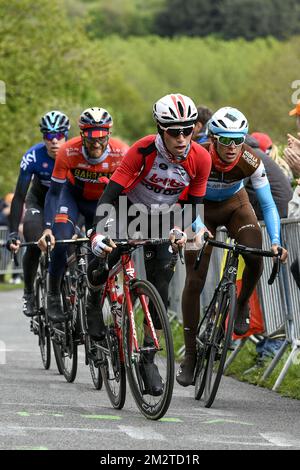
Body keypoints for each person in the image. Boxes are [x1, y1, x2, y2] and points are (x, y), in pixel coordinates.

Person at [88, 93, 212, 395]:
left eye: (189, 129)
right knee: (102, 257)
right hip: (128, 211)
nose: (182, 138)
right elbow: (109, 197)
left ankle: (147, 358)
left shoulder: (201, 158)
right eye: (174, 131)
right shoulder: (142, 151)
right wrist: (99, 234)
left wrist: (184, 230)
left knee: (161, 285)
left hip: (165, 217)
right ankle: (93, 302)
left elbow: (193, 207)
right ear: (160, 129)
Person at [176, 106, 288, 387]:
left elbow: (268, 204)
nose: (232, 147)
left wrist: (276, 241)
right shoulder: (195, 155)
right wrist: (193, 230)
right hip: (200, 209)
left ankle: (240, 305)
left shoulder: (251, 160)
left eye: (238, 140)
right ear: (212, 138)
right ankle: (190, 356)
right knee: (195, 277)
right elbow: (186, 200)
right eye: (225, 140)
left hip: (235, 206)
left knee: (254, 252)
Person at [38, 107, 129, 324]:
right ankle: (52, 295)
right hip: (72, 200)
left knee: (100, 256)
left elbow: (127, 194)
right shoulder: (68, 152)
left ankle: (93, 305)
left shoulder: (121, 152)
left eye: (101, 138)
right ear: (81, 135)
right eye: (90, 139)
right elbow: (54, 193)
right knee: (60, 242)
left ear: (108, 134)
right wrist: (49, 227)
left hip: (102, 206)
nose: (96, 144)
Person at [6, 111, 70, 315]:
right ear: (43, 138)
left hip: (65, 202)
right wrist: (14, 232)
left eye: (59, 135)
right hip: (38, 202)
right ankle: (29, 293)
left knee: (73, 244)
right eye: (48, 136)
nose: (54, 141)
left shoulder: (75, 154)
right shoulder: (33, 157)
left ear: (66, 135)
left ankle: (75, 288)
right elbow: (18, 197)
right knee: (35, 242)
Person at [245, 134, 293, 219]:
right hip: (284, 209)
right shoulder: (255, 152)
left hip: (278, 213)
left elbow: (236, 188)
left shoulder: (248, 155)